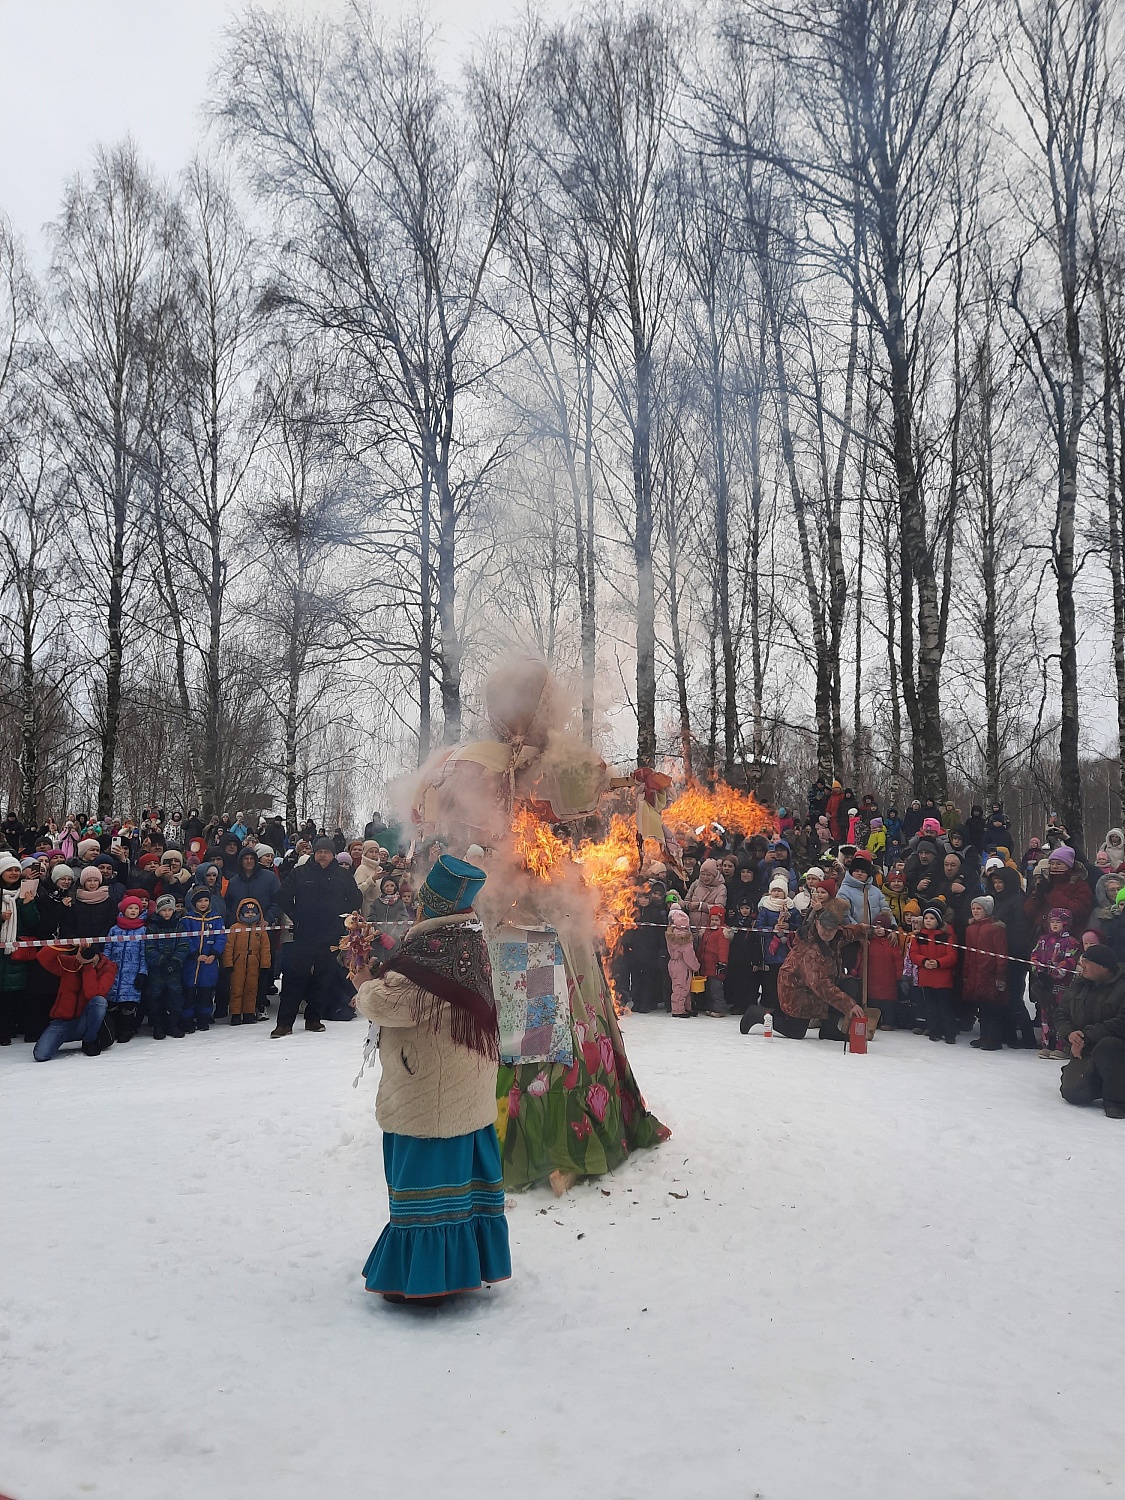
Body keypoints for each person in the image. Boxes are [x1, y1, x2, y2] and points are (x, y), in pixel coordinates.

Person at [352, 855, 511, 1303]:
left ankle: (428, 1278)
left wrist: (364, 981)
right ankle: (463, 1262)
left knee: (427, 1185)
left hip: (432, 1092)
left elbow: (389, 1005)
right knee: (463, 1185)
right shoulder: (467, 941)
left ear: (431, 906)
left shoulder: (433, 955)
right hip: (462, 1085)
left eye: (422, 902)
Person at [273, 835, 361, 1038]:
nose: (323, 855)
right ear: (314, 853)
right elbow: (282, 895)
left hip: (331, 935)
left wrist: (344, 917)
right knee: (295, 977)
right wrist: (295, 915)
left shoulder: (342, 875)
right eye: (319, 851)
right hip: (304, 933)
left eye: (327, 852)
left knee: (323, 978)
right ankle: (284, 1023)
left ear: (333, 855)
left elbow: (356, 898)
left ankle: (314, 1019)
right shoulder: (300, 873)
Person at [743, 900, 866, 1039]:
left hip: (819, 982)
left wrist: (867, 930)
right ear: (817, 923)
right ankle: (756, 1014)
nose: (827, 932)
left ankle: (829, 1029)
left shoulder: (835, 936)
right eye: (824, 927)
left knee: (849, 984)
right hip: (796, 989)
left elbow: (849, 932)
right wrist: (849, 1005)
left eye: (831, 929)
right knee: (795, 1032)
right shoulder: (809, 951)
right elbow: (821, 985)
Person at [1057, 946, 1125, 1118]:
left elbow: (1121, 1023)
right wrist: (1071, 1034)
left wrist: (1085, 1037)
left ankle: (1116, 1101)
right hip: (1087, 1049)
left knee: (1108, 1045)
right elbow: (1061, 1013)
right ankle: (1106, 1082)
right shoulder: (1079, 984)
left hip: (1116, 1049)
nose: (1081, 966)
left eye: (1087, 962)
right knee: (1072, 1093)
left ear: (1104, 967)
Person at [32, 941, 118, 1061]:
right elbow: (43, 956)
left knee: (99, 1001)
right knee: (41, 1055)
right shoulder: (71, 963)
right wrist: (68, 943)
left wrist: (88, 966)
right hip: (62, 1022)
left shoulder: (108, 968)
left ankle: (89, 1040)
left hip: (85, 1021)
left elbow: (92, 994)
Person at [1029, 908, 1081, 1059]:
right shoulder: (1043, 940)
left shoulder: (1072, 942)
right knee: (1046, 1013)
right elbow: (1034, 956)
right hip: (1045, 984)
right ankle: (1047, 1044)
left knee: (1061, 1014)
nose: (1054, 924)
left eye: (1058, 922)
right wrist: (1039, 971)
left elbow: (1070, 961)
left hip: (1062, 985)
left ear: (1065, 923)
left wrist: (1054, 974)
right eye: (1052, 922)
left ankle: (1062, 1046)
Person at [962, 895, 1010, 1050]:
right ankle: (984, 1036)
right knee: (982, 1006)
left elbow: (1001, 953)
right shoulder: (970, 929)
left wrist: (1000, 974)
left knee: (992, 1007)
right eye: (973, 908)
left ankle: (993, 1038)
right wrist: (966, 973)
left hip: (990, 973)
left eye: (979, 908)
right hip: (976, 973)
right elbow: (968, 953)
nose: (975, 911)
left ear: (987, 910)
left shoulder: (996, 928)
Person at [909, 906, 959, 1044]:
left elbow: (952, 956)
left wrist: (938, 963)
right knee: (930, 1007)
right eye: (926, 918)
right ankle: (934, 1031)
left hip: (943, 978)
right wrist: (924, 961)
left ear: (938, 921)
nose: (928, 921)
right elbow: (913, 954)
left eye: (931, 918)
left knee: (945, 1006)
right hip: (926, 977)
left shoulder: (947, 937)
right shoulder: (918, 937)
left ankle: (949, 1033)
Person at [103, 893, 149, 1043]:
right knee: (113, 1004)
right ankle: (113, 1029)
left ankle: (127, 1029)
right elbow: (108, 949)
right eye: (130, 908)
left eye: (137, 908)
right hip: (114, 974)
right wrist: (105, 967)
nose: (134, 911)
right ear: (123, 910)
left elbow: (144, 953)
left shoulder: (143, 931)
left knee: (128, 1005)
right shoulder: (114, 930)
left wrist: (142, 972)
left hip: (132, 974)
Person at [180, 887, 227, 1033]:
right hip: (192, 963)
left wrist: (214, 954)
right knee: (189, 994)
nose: (203, 904)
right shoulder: (187, 919)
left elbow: (221, 937)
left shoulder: (217, 919)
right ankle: (187, 1020)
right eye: (200, 901)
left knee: (206, 993)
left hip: (209, 963)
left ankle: (203, 1019)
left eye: (206, 900)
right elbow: (185, 938)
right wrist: (194, 954)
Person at [220, 897, 272, 1025]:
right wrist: (228, 963)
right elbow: (228, 947)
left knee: (251, 989)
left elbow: (265, 948)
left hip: (254, 963)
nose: (250, 914)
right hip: (238, 964)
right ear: (241, 913)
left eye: (253, 912)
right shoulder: (235, 928)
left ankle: (249, 1013)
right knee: (236, 989)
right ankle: (236, 1014)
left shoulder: (260, 930)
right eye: (247, 912)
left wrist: (265, 965)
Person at [144, 894, 190, 1039]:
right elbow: (149, 948)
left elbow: (184, 945)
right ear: (158, 911)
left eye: (169, 910)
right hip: (157, 970)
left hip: (174, 969)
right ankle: (158, 1026)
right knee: (155, 998)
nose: (167, 913)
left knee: (175, 997)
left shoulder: (179, 926)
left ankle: (173, 1025)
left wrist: (176, 961)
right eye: (163, 910)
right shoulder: (152, 928)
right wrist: (162, 961)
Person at [696, 905, 730, 1017]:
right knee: (709, 989)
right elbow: (702, 947)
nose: (714, 922)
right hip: (706, 965)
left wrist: (722, 963)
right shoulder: (707, 931)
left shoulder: (721, 933)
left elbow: (723, 949)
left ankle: (719, 1009)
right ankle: (711, 1007)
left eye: (717, 920)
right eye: (712, 920)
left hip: (715, 966)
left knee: (716, 989)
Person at [666, 905, 699, 1017]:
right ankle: (678, 1010)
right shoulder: (684, 936)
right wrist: (696, 966)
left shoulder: (672, 933)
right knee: (681, 987)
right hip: (682, 965)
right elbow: (689, 954)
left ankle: (686, 1007)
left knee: (682, 986)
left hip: (674, 963)